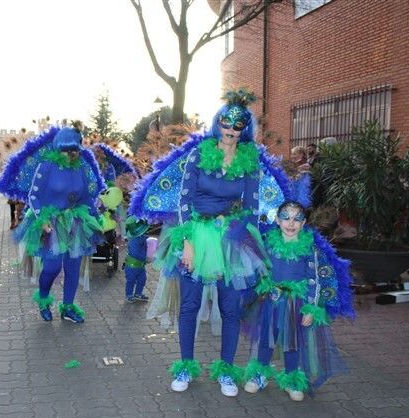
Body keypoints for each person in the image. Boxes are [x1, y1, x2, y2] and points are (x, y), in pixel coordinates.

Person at [130, 89, 278, 396]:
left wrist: (246, 244)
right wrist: (187, 242)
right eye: (226, 122)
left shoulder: (250, 161)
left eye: (238, 125)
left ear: (245, 129)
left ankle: (226, 371)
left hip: (230, 238)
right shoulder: (198, 154)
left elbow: (251, 207)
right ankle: (185, 366)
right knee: (190, 305)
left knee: (230, 308)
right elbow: (184, 200)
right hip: (195, 234)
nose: (231, 129)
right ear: (217, 123)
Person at [243, 201, 352, 401]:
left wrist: (311, 308)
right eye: (286, 218)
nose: (291, 223)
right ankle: (260, 374)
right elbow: (257, 268)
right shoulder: (267, 242)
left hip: (296, 304)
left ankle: (292, 379)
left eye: (297, 219)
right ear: (277, 220)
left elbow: (317, 279)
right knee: (267, 338)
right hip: (271, 300)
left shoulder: (311, 249)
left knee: (292, 342)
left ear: (303, 223)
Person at [0, 126, 106, 323]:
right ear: (58, 148)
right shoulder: (46, 166)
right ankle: (44, 299)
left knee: (73, 267)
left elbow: (85, 198)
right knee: (52, 267)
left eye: (75, 149)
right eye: (67, 150)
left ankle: (68, 307)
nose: (71, 154)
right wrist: (42, 219)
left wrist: (96, 216)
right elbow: (34, 196)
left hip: (75, 221)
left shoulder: (81, 168)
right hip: (51, 222)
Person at [123, 216, 150, 302]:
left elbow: (145, 241)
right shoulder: (133, 241)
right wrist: (145, 258)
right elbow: (135, 253)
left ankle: (138, 293)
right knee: (131, 280)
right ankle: (129, 294)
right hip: (132, 265)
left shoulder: (142, 237)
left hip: (140, 265)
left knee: (142, 279)